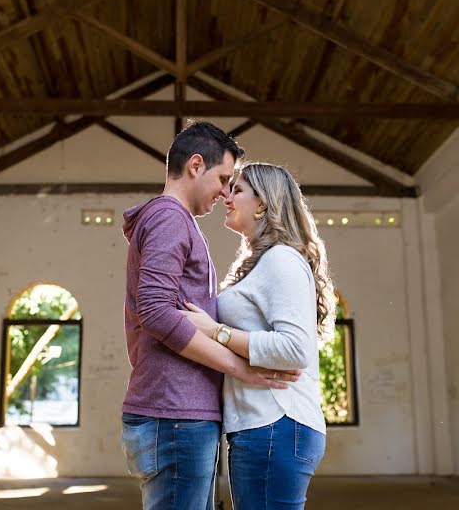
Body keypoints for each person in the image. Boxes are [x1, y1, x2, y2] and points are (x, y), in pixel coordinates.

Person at [121, 123, 298, 510]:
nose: (224, 192)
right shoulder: (169, 218)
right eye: (222, 178)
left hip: (177, 413)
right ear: (195, 166)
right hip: (174, 415)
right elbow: (156, 310)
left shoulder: (173, 221)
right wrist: (240, 368)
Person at [182, 162, 335, 510]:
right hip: (263, 425)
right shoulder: (261, 261)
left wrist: (215, 331)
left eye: (237, 190)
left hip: (276, 424)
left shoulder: (281, 259)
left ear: (263, 203)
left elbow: (295, 349)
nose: (226, 196)